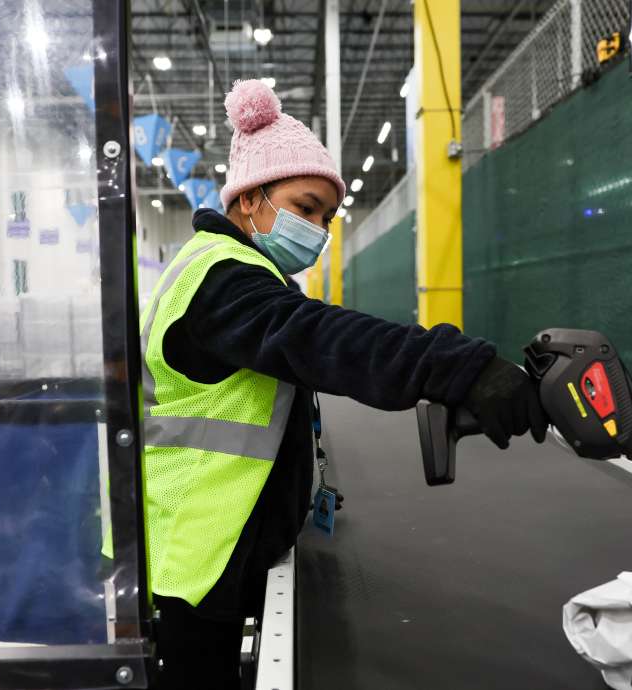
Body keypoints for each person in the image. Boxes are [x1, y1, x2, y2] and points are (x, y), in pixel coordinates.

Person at [142, 79, 548, 689]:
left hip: (212, 548)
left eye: (327, 217)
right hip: (194, 558)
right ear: (250, 199)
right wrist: (458, 367)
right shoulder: (221, 278)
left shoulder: (238, 270)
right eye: (305, 208)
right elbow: (322, 339)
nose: (318, 229)